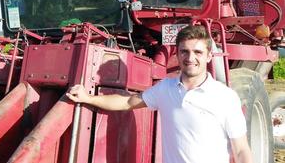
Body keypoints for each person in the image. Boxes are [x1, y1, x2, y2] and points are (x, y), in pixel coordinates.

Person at [66, 25, 253, 163]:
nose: (190, 58)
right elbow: (128, 102)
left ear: (209, 56)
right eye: (184, 52)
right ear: (178, 55)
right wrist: (88, 98)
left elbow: (241, 149)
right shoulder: (166, 89)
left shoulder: (225, 97)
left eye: (198, 52)